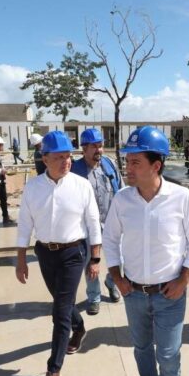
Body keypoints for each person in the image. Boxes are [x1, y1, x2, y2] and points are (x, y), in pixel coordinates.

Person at [103, 126, 189, 376]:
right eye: (127, 162)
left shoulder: (182, 198)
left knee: (170, 355)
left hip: (169, 294)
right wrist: (117, 278)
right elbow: (110, 240)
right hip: (134, 293)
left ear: (155, 165)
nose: (127, 168)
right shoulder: (122, 200)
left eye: (135, 163)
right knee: (142, 349)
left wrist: (184, 279)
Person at [16, 131, 102, 376]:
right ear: (45, 159)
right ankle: (79, 327)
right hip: (44, 253)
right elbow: (24, 224)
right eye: (59, 157)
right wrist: (20, 258)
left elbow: (93, 221)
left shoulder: (80, 185)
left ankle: (53, 370)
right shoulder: (33, 187)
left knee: (59, 312)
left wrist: (96, 258)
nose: (66, 162)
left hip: (73, 253)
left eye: (68, 156)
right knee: (60, 303)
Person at [70, 128, 124, 315]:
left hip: (112, 223)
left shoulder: (109, 164)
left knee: (121, 261)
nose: (99, 150)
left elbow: (121, 189)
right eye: (94, 146)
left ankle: (111, 282)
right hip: (87, 227)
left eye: (100, 146)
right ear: (84, 149)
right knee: (90, 263)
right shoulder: (74, 170)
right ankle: (94, 297)